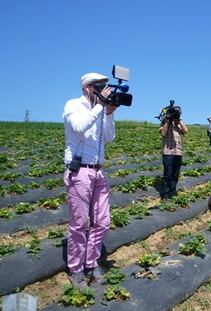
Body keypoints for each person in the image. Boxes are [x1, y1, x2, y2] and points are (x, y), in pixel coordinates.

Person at [63, 72, 117, 288]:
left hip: (99, 171)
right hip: (80, 172)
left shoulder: (101, 110)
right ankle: (75, 269)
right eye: (100, 86)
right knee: (79, 223)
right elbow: (79, 127)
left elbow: (110, 138)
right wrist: (99, 106)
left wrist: (110, 113)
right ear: (88, 87)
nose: (105, 90)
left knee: (102, 221)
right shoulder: (73, 105)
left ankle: (91, 263)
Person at [159, 112, 188, 199]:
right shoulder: (164, 123)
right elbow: (163, 133)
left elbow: (185, 130)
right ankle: (165, 194)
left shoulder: (178, 124)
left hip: (178, 152)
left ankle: (173, 191)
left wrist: (179, 121)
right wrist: (167, 121)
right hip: (168, 152)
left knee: (175, 174)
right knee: (168, 174)